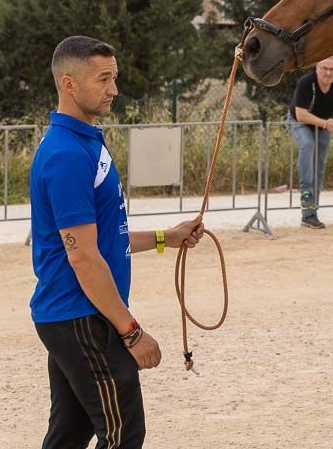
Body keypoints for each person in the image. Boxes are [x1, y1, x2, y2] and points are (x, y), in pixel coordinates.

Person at [29, 36, 205, 449]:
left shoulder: (86, 140)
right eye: (104, 79)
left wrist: (169, 238)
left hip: (74, 316)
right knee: (124, 432)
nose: (114, 89)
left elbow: (109, 238)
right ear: (69, 84)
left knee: (69, 434)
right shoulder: (67, 154)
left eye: (115, 77)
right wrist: (131, 332)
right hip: (80, 317)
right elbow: (85, 258)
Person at [289, 55, 333, 229]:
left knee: (319, 167)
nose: (328, 73)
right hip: (300, 123)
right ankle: (305, 192)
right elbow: (300, 114)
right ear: (317, 68)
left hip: (324, 125)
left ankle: (310, 215)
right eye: (324, 68)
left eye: (332, 69)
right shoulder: (306, 83)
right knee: (308, 145)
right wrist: (327, 123)